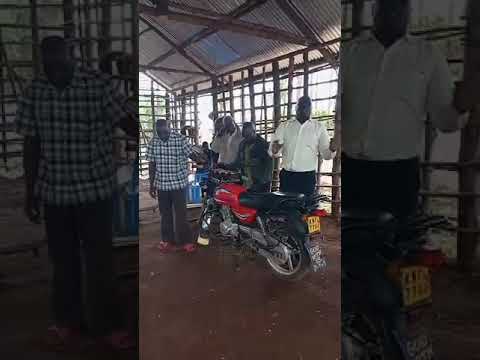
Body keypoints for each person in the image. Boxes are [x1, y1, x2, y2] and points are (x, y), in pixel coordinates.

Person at [15, 36, 137, 349]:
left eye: (59, 61)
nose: (53, 69)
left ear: (72, 56)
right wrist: (31, 193)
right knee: (63, 262)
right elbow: (32, 144)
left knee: (100, 262)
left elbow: (128, 123)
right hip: (55, 195)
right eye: (47, 63)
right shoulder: (35, 91)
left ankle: (109, 325)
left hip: (95, 192)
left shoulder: (99, 85)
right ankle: (68, 321)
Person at [340, 0, 478, 218]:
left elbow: (445, 121)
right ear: (376, 10)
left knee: (396, 245)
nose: (395, 11)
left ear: (408, 10)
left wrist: (460, 107)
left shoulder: (428, 55)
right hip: (352, 171)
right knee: (350, 245)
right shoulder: (350, 53)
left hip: (399, 176)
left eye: (401, 6)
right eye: (389, 5)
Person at [147, 119, 204, 253]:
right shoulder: (153, 142)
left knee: (181, 215)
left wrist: (200, 159)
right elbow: (152, 164)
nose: (162, 136)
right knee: (165, 214)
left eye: (165, 132)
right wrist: (151, 185)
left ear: (170, 128)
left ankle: (186, 241)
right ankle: (167, 240)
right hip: (162, 185)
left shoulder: (180, 139)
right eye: (159, 133)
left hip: (178, 184)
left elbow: (191, 154)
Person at [270, 95, 336, 196]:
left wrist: (332, 149)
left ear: (311, 108)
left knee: (305, 208)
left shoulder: (319, 127)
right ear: (296, 108)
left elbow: (326, 155)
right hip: (287, 176)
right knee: (286, 207)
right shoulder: (284, 126)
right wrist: (274, 150)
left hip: (307, 178)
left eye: (307, 106)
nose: (304, 108)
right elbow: (273, 151)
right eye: (301, 106)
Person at [224, 122, 273, 192]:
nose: (246, 138)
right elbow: (238, 160)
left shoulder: (262, 144)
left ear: (254, 132)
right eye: (244, 135)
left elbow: (258, 161)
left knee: (260, 202)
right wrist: (227, 166)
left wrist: (241, 163)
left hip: (261, 182)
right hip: (247, 181)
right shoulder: (242, 144)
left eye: (248, 135)